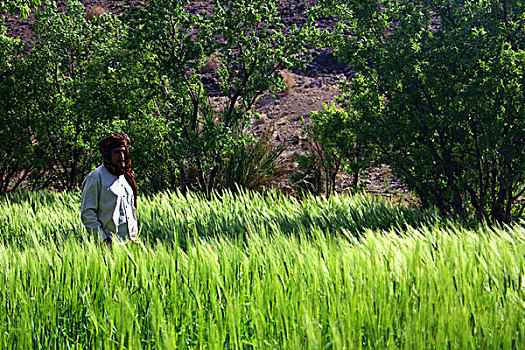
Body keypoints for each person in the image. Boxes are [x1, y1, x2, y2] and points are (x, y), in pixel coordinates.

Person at [80, 133, 139, 246]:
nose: (122, 156)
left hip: (130, 244)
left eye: (123, 151)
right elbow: (87, 213)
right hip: (109, 246)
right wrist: (103, 240)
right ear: (108, 155)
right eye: (117, 152)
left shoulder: (125, 178)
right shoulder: (96, 177)